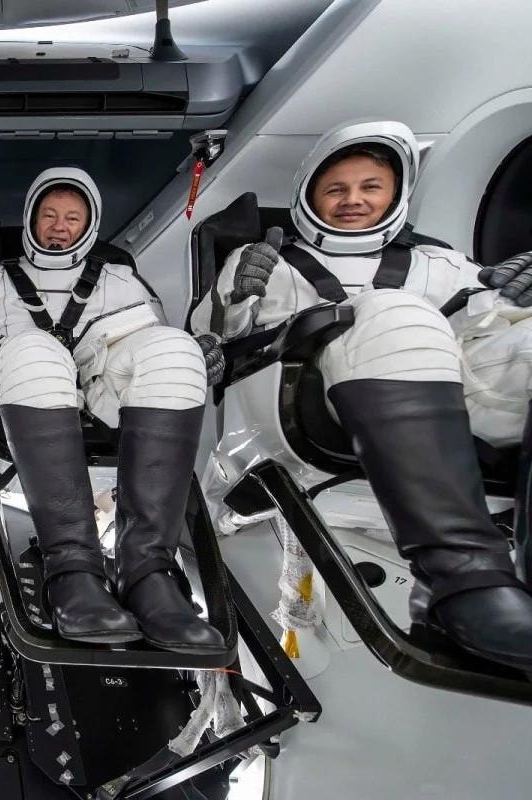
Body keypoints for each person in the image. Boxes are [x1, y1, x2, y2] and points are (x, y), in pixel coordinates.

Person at [191, 119, 532, 671]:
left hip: (451, 400)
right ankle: (458, 582)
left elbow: (486, 332)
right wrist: (234, 304)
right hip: (301, 408)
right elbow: (212, 338)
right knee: (392, 312)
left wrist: (507, 296)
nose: (353, 199)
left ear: (395, 193)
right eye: (336, 189)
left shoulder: (442, 263)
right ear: (310, 195)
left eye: (370, 187)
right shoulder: (269, 262)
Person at [0, 167, 225, 655]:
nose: (59, 227)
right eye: (49, 215)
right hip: (23, 390)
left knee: (175, 350)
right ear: (31, 219)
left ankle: (148, 571)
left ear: (89, 225)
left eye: (72, 217)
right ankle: (72, 570)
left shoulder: (120, 279)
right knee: (36, 349)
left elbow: (154, 341)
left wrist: (197, 355)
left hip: (104, 390)